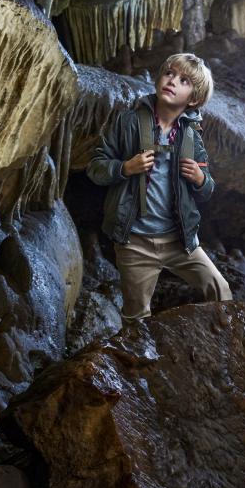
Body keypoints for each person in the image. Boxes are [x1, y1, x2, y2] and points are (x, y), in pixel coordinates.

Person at [87, 53, 232, 322]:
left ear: (194, 99)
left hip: (180, 240)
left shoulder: (191, 136)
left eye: (184, 80)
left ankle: (226, 351)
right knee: (136, 318)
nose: (172, 81)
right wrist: (124, 168)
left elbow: (207, 189)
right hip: (135, 241)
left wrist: (200, 180)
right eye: (169, 73)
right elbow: (95, 167)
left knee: (220, 290)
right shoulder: (127, 122)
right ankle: (137, 362)